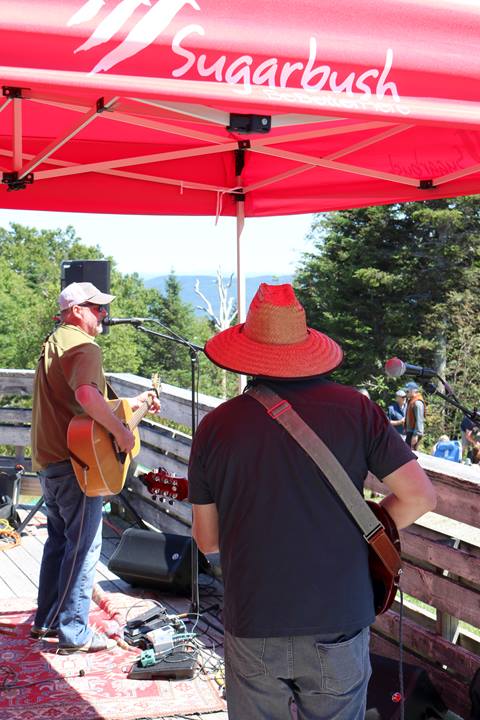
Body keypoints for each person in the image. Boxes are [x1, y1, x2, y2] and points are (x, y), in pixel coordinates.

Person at [188, 283, 436, 720]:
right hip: (338, 614)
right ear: (306, 347)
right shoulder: (357, 410)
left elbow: (208, 540)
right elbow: (421, 496)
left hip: (255, 616)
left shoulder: (215, 426)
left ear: (248, 352)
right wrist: (363, 537)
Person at [30, 281, 160, 654]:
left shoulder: (55, 342)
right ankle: (74, 631)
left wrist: (132, 405)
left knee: (59, 540)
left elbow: (82, 400)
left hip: (51, 460)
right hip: (76, 464)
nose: (103, 314)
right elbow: (87, 396)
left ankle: (47, 620)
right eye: (96, 307)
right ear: (76, 311)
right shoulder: (85, 346)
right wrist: (121, 430)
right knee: (85, 546)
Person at [404, 381, 426, 450]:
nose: (406, 393)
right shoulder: (412, 400)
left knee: (410, 454)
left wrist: (415, 435)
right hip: (411, 432)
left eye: (407, 391)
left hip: (413, 433)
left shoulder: (417, 402)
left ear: (413, 391)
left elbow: (419, 421)